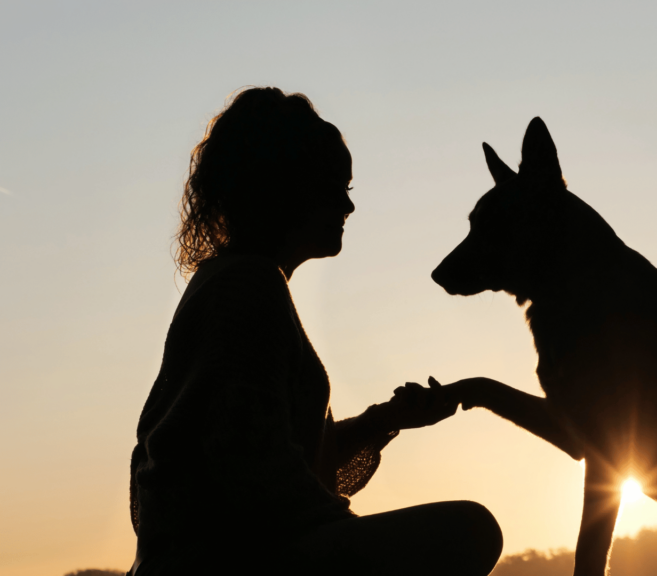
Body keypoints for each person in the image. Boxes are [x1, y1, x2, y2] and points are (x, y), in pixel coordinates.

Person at [127, 87, 503, 576]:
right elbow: (251, 467)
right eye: (334, 189)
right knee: (472, 529)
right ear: (283, 189)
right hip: (226, 561)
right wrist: (348, 537)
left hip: (230, 550)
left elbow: (275, 453)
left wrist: (379, 422)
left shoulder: (246, 281)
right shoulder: (246, 284)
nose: (348, 209)